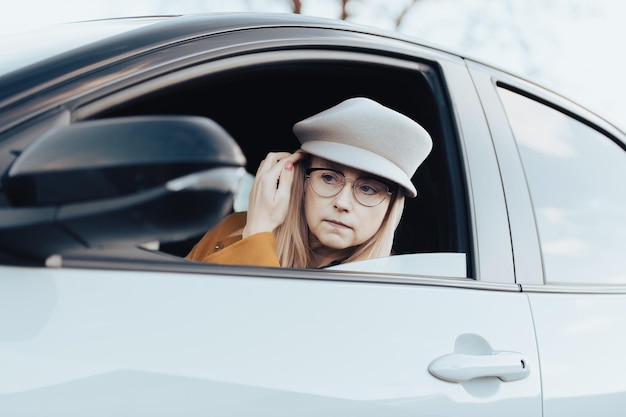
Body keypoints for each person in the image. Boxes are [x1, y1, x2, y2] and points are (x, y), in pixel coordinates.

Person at [186, 97, 433, 268]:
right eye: (328, 177)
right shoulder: (232, 230)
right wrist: (258, 229)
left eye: (368, 189)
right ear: (299, 179)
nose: (342, 203)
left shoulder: (398, 288)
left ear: (391, 207)